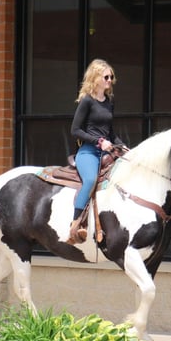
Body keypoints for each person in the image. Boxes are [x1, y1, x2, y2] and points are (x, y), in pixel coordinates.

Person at [67, 59, 124, 244]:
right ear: (96, 78)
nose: (109, 80)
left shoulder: (109, 102)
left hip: (107, 152)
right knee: (90, 180)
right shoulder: (87, 101)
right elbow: (75, 130)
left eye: (111, 77)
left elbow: (111, 132)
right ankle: (76, 224)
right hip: (88, 152)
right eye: (106, 76)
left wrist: (122, 147)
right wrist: (99, 141)